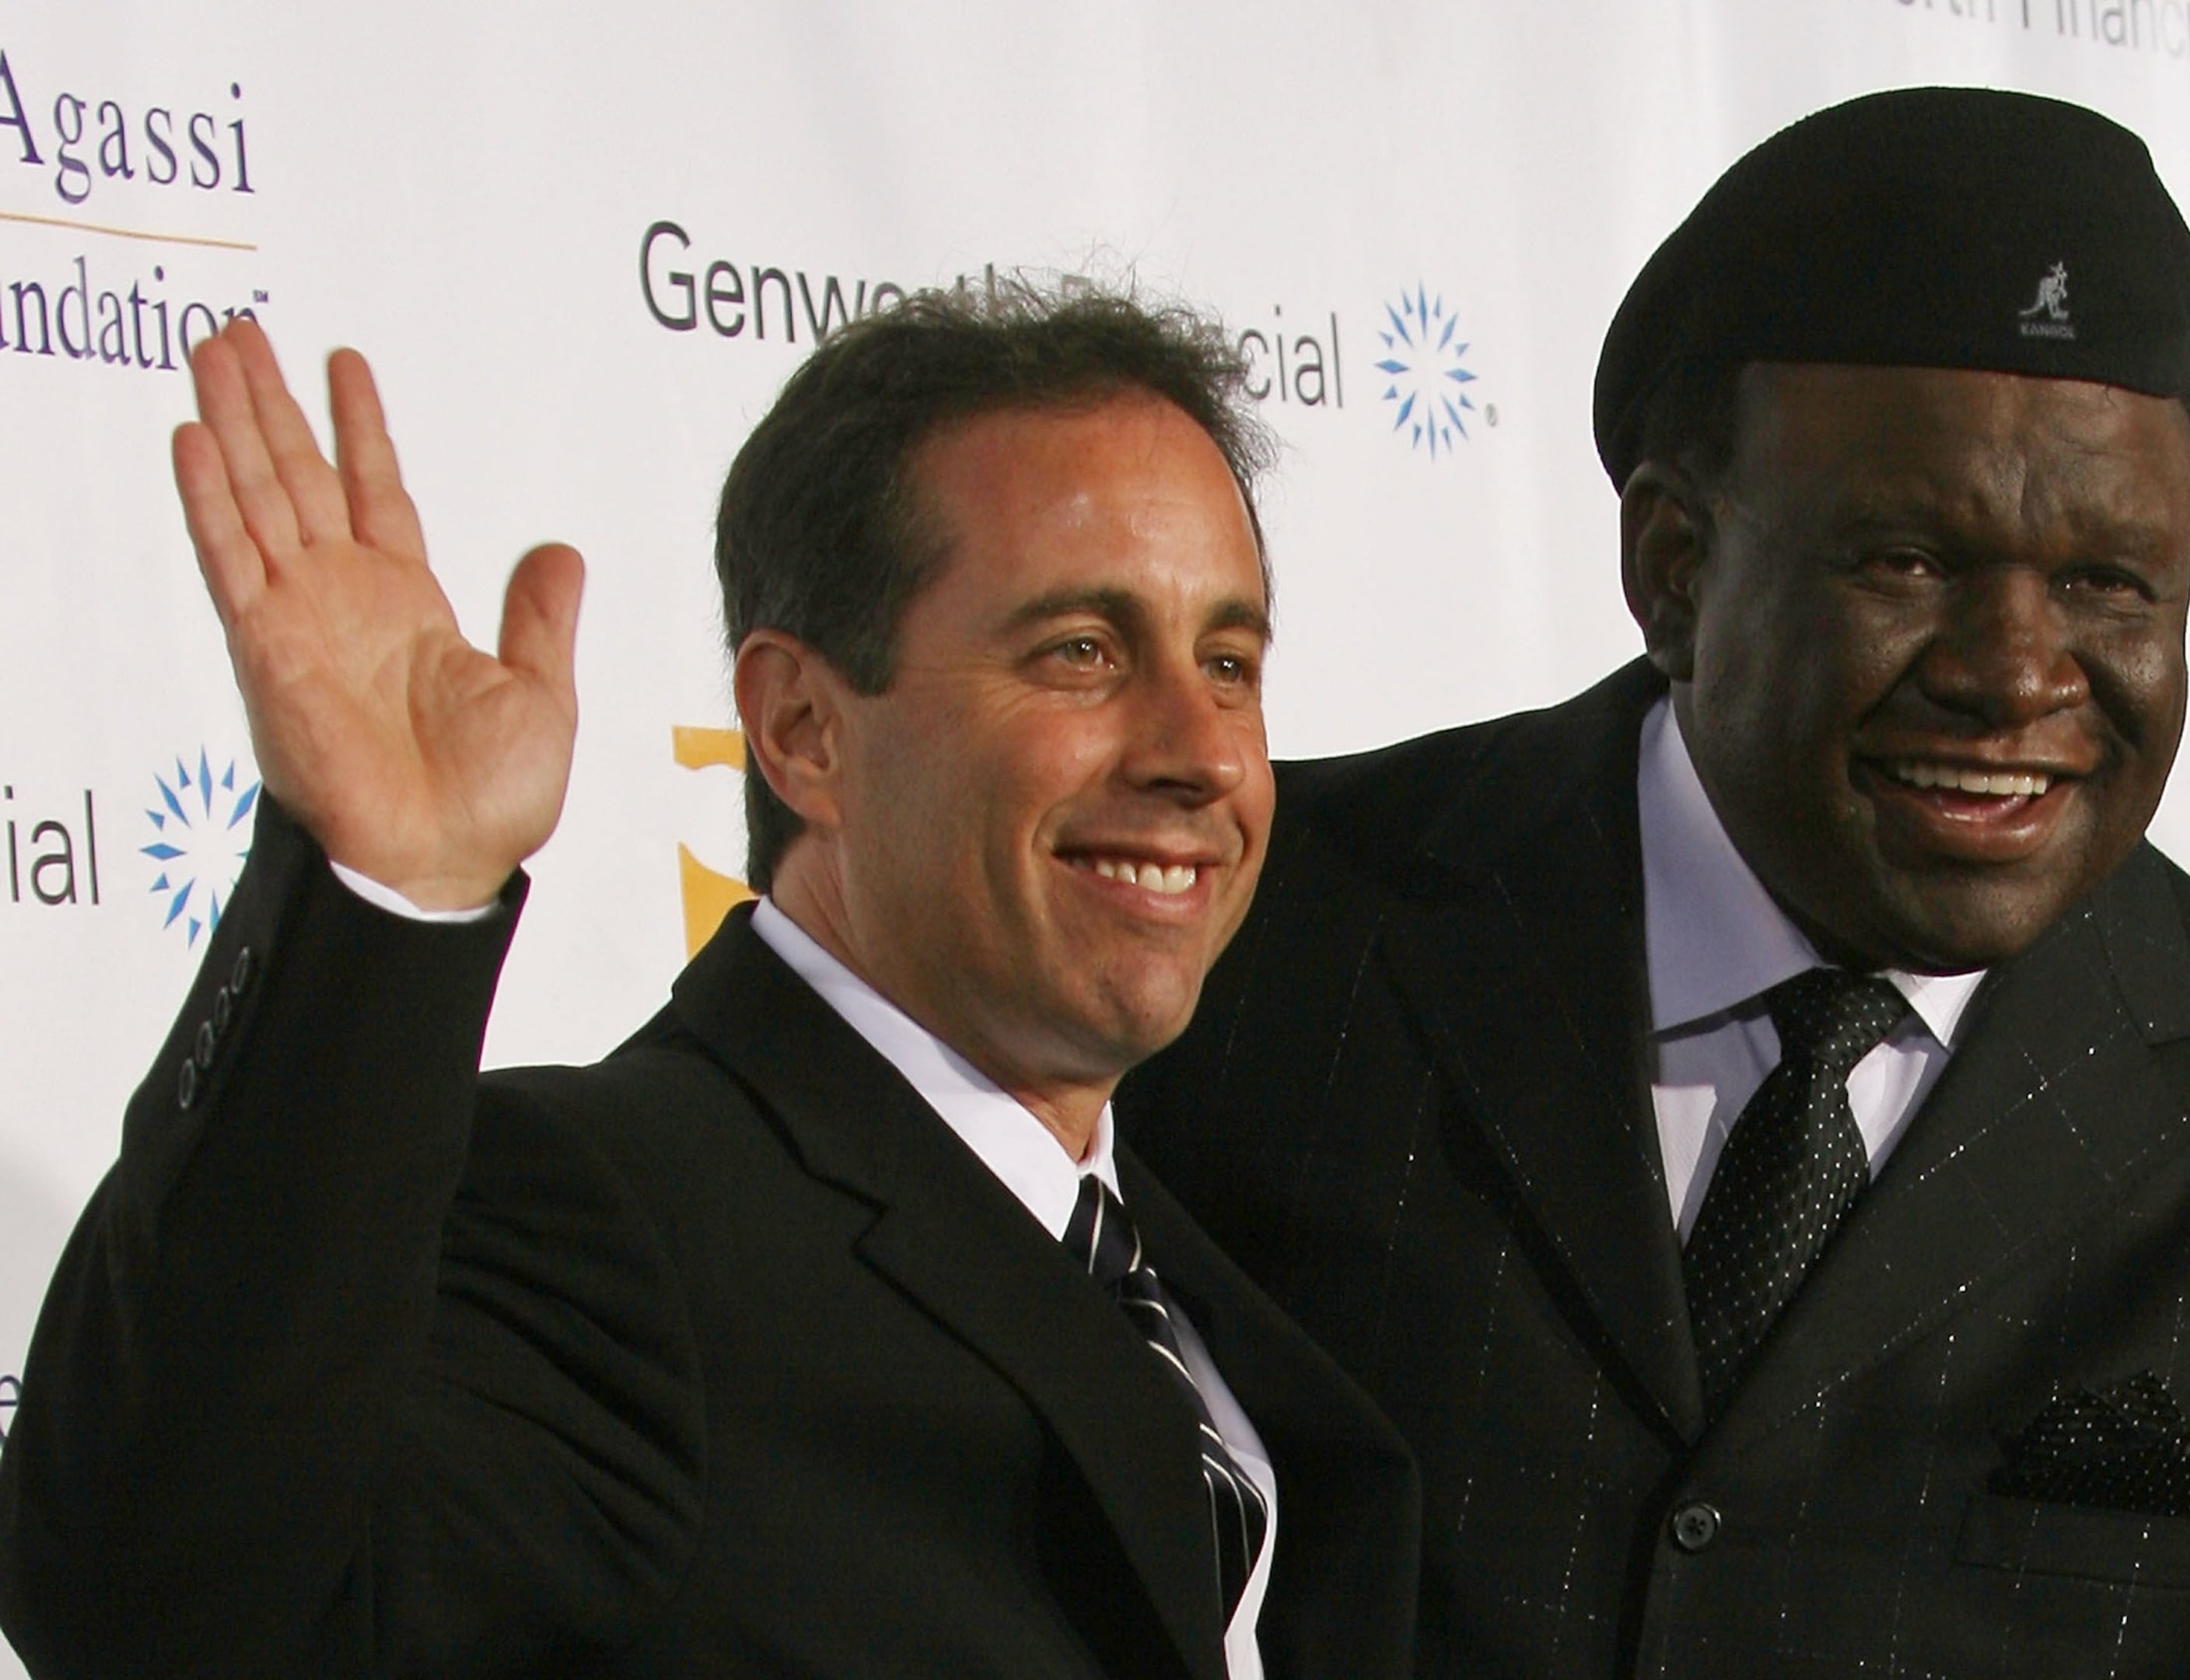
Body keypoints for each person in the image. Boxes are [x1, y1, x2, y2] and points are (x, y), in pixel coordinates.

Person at [1118, 89, 2190, 1678]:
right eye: (1909, 560)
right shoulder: (1245, 932)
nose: (2019, 674)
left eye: (2110, 583)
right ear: (1673, 565)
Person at [0, 285, 1417, 1679]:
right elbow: (157, 1604)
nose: (1202, 750)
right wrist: (381, 902)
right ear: (802, 728)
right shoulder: (608, 1221)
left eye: (1229, 663)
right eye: (1082, 652)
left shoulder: (1213, 1261)